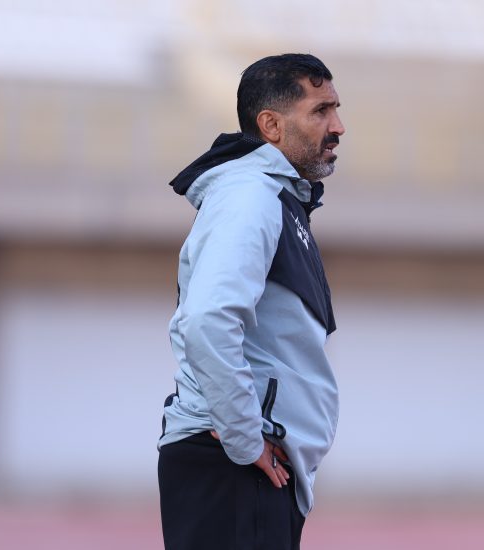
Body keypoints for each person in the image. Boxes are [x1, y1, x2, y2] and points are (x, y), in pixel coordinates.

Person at [157, 53, 345, 549]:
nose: (338, 127)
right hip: (234, 468)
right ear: (271, 125)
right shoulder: (250, 196)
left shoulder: (277, 199)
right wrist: (244, 438)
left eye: (335, 109)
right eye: (320, 111)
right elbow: (208, 320)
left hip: (246, 470)